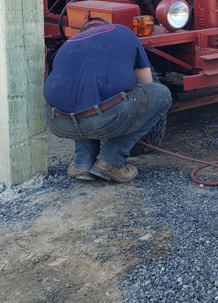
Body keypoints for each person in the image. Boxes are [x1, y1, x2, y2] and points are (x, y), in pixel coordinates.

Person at [44, 18, 172, 183]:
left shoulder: (68, 44)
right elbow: (146, 85)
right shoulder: (124, 32)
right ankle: (111, 162)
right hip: (102, 120)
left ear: (83, 33)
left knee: (79, 97)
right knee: (161, 94)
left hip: (58, 123)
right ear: (105, 26)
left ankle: (82, 163)